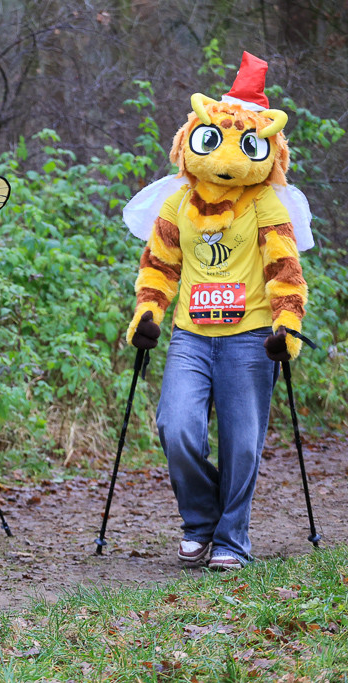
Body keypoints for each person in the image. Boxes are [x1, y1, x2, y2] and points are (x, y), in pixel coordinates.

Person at [124, 53, 309, 571]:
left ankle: (232, 538)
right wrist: (148, 312)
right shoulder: (177, 204)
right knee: (176, 427)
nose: (226, 159)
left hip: (250, 337)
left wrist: (287, 324)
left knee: (242, 444)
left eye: (245, 145)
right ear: (192, 140)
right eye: (213, 141)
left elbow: (285, 270)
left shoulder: (265, 205)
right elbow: (159, 266)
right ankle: (202, 519)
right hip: (191, 335)